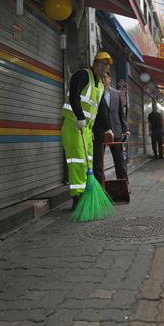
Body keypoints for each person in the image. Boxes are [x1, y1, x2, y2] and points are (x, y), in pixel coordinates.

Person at [61, 50, 113, 210]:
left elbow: (101, 108)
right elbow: (74, 96)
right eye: (102, 64)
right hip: (73, 125)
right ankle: (77, 197)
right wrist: (80, 117)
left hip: (86, 130)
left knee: (88, 163)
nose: (104, 68)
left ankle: (86, 194)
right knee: (77, 162)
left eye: (107, 66)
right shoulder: (82, 75)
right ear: (95, 63)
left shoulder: (99, 85)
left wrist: (107, 128)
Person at [93, 71, 130, 184]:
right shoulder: (95, 93)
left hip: (116, 130)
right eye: (101, 77)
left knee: (119, 160)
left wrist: (125, 129)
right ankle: (100, 186)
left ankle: (123, 184)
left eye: (105, 77)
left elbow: (121, 113)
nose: (103, 79)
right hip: (99, 131)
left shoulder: (116, 93)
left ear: (109, 79)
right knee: (98, 162)